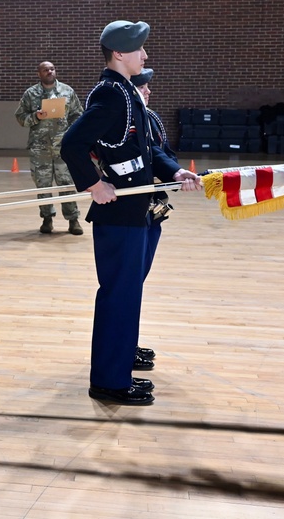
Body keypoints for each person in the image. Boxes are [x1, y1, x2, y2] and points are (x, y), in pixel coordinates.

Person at [60, 20, 202, 406]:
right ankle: (108, 381)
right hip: (118, 213)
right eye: (140, 49)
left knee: (127, 296)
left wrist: (175, 170)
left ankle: (119, 368)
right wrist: (94, 185)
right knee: (118, 297)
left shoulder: (127, 93)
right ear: (119, 54)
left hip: (135, 209)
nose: (146, 55)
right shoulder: (111, 94)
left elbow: (146, 151)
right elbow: (72, 143)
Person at [130, 67, 174, 369]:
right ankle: (124, 346)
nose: (149, 91)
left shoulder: (151, 119)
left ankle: (128, 343)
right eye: (143, 87)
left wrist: (176, 172)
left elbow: (163, 153)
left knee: (138, 280)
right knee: (129, 283)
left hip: (152, 211)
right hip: (131, 211)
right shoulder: (127, 122)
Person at [15, 61, 85, 235]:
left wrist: (70, 132)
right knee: (43, 185)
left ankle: (73, 220)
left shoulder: (67, 92)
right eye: (45, 70)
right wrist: (35, 116)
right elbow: (20, 117)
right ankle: (47, 219)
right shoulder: (31, 94)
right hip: (40, 149)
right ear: (39, 73)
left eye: (52, 69)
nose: (49, 72)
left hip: (63, 148)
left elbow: (79, 114)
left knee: (67, 183)